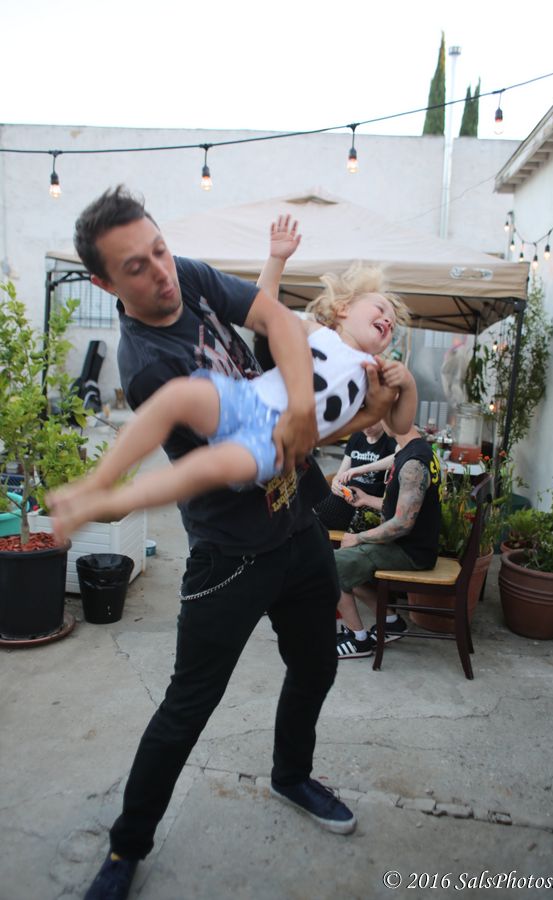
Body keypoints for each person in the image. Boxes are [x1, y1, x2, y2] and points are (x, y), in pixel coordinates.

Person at [59, 186, 416, 900]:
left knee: (315, 664)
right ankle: (127, 847)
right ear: (104, 284)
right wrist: (332, 423)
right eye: (136, 267)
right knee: (188, 705)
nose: (161, 272)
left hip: (299, 528)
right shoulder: (148, 363)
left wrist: (313, 410)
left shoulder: (185, 275)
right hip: (232, 552)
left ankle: (291, 775)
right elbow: (248, 462)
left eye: (159, 250)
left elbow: (274, 317)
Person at [50, 266, 414, 540]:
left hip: (270, 443)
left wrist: (408, 384)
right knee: (177, 395)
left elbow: (399, 425)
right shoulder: (321, 334)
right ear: (344, 308)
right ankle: (98, 481)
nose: (387, 320)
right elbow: (266, 310)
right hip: (249, 398)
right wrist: (276, 259)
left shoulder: (376, 373)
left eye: (392, 324)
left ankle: (111, 503)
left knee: (202, 470)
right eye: (380, 307)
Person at [334, 424, 442, 660]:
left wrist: (358, 538)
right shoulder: (415, 450)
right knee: (348, 569)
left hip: (409, 551)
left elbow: (402, 523)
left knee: (329, 566)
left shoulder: (414, 463)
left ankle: (358, 641)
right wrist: (365, 499)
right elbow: (402, 507)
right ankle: (391, 622)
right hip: (407, 545)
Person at [315, 421, 397, 531]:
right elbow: (341, 473)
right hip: (348, 496)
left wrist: (362, 469)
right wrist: (335, 482)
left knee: (320, 511)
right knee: (315, 500)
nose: (367, 428)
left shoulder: (390, 440)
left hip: (369, 500)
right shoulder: (356, 437)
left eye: (372, 422)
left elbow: (399, 455)